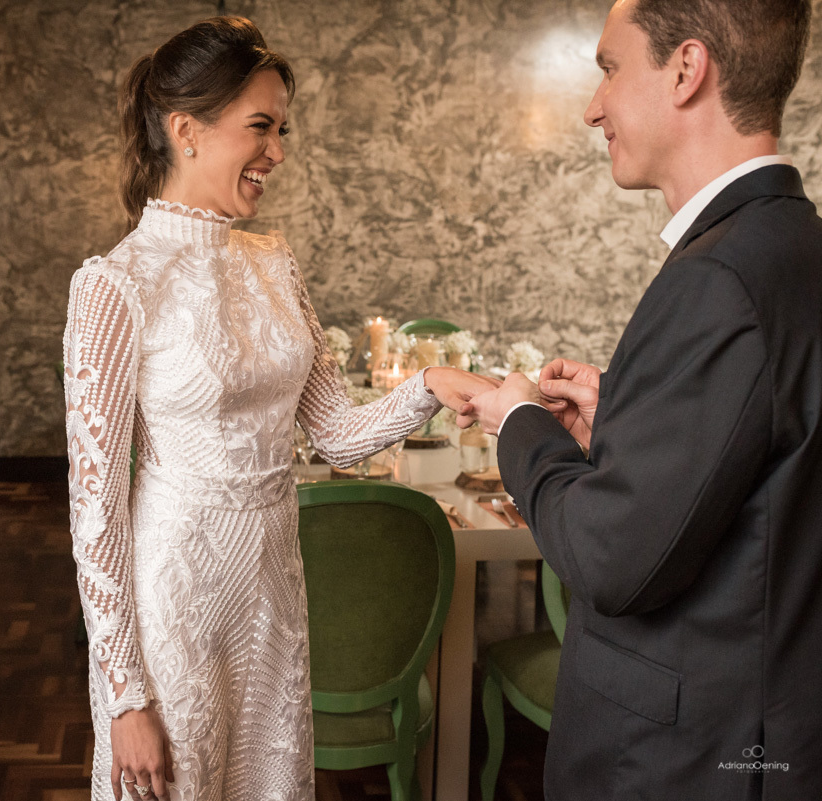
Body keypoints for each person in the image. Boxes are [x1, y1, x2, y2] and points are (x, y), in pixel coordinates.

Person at [63, 17, 497, 801]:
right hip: (175, 600)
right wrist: (125, 692)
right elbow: (95, 509)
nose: (278, 152)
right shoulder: (115, 283)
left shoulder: (275, 263)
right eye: (260, 127)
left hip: (272, 587)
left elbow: (335, 428)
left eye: (281, 128)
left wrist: (430, 384)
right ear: (186, 129)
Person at [458, 0, 822, 798]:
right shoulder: (795, 246)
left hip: (686, 758)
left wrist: (519, 422)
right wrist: (622, 422)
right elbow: (760, 479)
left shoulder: (717, 280)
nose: (594, 107)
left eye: (610, 68)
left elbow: (609, 559)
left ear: (687, 70)